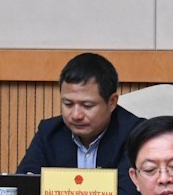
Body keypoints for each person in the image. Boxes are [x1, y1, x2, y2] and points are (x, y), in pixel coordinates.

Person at [15, 52, 143, 175]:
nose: (76, 115)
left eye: (87, 106)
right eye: (68, 104)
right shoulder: (49, 132)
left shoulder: (135, 134)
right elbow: (24, 186)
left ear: (112, 103)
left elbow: (128, 194)